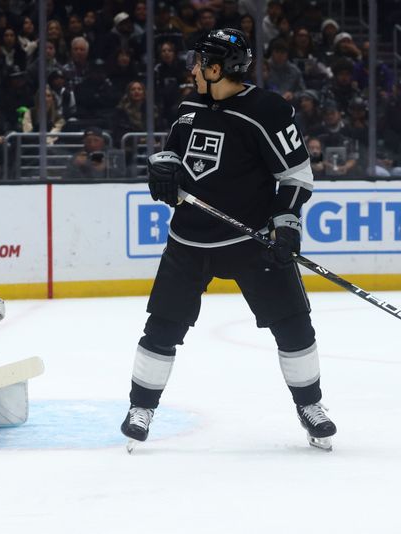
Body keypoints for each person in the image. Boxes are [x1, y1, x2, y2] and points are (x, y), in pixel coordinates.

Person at [121, 29, 338, 452]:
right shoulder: (188, 108)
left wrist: (287, 225)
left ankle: (311, 406)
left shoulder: (269, 111)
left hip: (251, 242)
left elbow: (296, 177)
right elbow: (173, 162)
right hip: (189, 241)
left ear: (216, 68)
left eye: (199, 61)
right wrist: (161, 173)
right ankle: (140, 408)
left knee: (294, 327)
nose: (193, 68)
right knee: (161, 328)